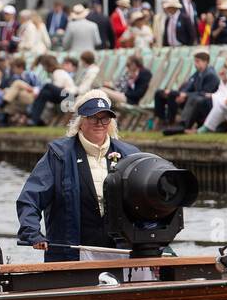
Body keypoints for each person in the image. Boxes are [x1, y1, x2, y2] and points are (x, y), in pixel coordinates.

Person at [16, 91, 142, 262]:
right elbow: (30, 199)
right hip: (71, 255)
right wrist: (32, 233)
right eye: (93, 118)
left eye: (105, 118)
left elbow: (147, 203)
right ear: (81, 121)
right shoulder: (58, 155)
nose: (99, 123)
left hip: (121, 254)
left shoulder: (130, 155)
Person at [152, 50, 219, 129]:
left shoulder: (210, 75)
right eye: (195, 61)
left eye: (198, 61)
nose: (195, 64)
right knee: (160, 93)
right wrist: (181, 94)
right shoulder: (198, 73)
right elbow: (189, 87)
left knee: (172, 95)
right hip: (192, 98)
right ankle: (161, 119)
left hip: (202, 103)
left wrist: (185, 95)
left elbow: (204, 94)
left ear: (205, 62)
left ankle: (171, 122)